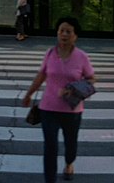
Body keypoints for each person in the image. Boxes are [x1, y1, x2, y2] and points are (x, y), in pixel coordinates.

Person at [21, 17, 96, 183]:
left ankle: (69, 163)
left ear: (75, 36)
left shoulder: (81, 57)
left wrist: (72, 90)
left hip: (72, 110)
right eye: (61, 31)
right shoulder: (50, 53)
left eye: (68, 31)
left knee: (70, 146)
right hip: (48, 108)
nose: (64, 34)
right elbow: (41, 75)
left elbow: (91, 80)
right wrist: (29, 94)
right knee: (50, 147)